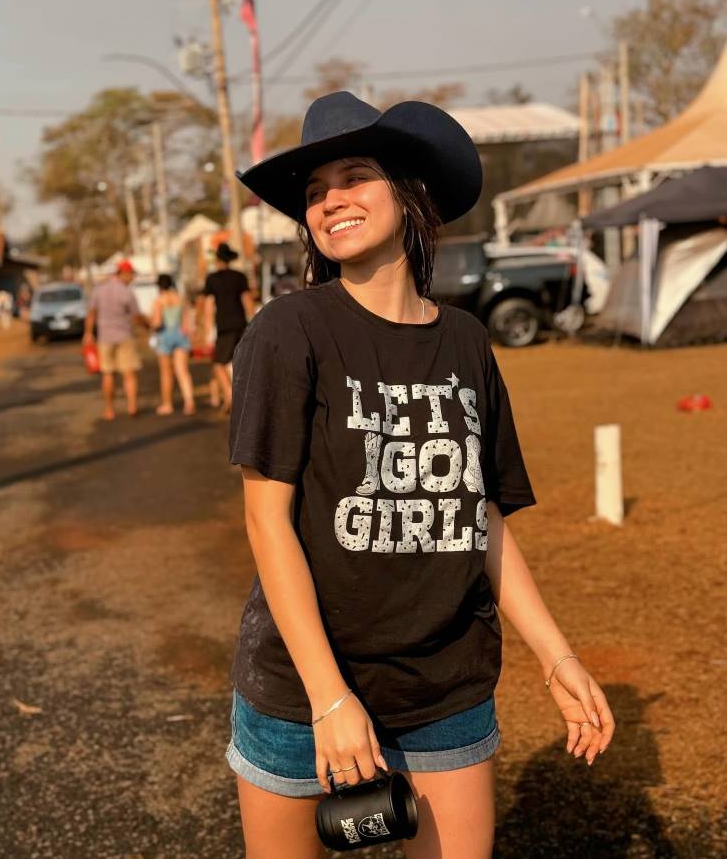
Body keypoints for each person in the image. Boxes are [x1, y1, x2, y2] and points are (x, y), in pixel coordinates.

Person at [226, 92, 616, 859]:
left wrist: (556, 654)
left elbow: (484, 522)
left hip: (445, 689)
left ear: (409, 195)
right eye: (313, 192)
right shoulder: (289, 330)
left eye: (355, 176)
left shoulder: (468, 343)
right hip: (300, 691)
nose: (331, 200)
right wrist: (329, 696)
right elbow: (265, 520)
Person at [84, 259, 147, 421]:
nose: (132, 278)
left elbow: (91, 313)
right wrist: (148, 326)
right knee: (129, 374)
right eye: (131, 274)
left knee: (108, 374)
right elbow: (136, 316)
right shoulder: (127, 292)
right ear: (123, 274)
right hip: (125, 336)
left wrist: (88, 333)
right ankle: (132, 407)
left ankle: (109, 410)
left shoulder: (99, 289)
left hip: (105, 337)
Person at [203, 242, 255, 413]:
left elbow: (209, 306)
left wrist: (207, 329)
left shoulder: (212, 279)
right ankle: (243, 398)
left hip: (224, 326)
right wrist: (254, 321)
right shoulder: (239, 276)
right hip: (241, 324)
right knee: (241, 363)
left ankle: (230, 396)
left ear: (217, 259)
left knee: (218, 363)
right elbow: (247, 300)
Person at [150, 273, 195, 416]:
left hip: (164, 337)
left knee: (166, 373)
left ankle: (167, 404)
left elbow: (157, 322)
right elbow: (186, 322)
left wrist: (150, 326)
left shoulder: (159, 301)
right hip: (181, 335)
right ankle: (189, 402)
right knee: (182, 371)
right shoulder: (180, 298)